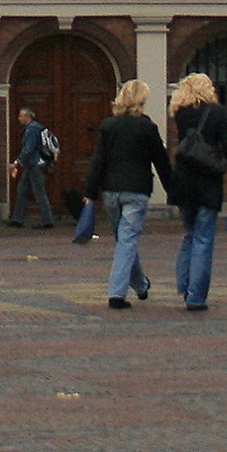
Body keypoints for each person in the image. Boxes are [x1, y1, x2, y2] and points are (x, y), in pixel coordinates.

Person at [84, 77, 173, 310]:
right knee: (127, 240)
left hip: (111, 191)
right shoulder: (147, 127)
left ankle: (140, 285)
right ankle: (116, 294)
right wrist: (173, 191)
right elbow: (161, 161)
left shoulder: (108, 126)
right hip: (137, 191)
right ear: (141, 100)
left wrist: (90, 192)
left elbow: (98, 161)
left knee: (124, 240)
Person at [169, 71, 227, 312]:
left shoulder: (180, 114)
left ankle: (184, 286)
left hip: (184, 182)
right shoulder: (217, 113)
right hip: (207, 182)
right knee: (203, 239)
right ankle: (196, 297)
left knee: (189, 235)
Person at [8, 107, 55, 228]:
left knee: (38, 192)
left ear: (27, 117)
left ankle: (47, 221)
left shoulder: (32, 129)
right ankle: (17, 219)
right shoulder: (35, 128)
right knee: (21, 190)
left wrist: (16, 163)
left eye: (20, 116)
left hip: (35, 164)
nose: (19, 119)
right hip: (31, 164)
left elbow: (29, 148)